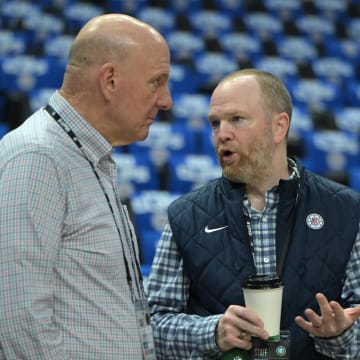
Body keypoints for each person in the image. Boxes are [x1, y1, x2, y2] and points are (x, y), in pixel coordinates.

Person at [147, 69, 360, 359]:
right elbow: (152, 325)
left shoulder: (346, 210)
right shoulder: (185, 216)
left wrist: (338, 335)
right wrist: (212, 333)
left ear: (279, 126)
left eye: (236, 119)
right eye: (215, 123)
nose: (222, 134)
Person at [0, 13, 172, 359]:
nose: (166, 100)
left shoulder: (86, 155)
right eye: (156, 82)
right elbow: (20, 323)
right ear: (110, 80)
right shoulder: (38, 158)